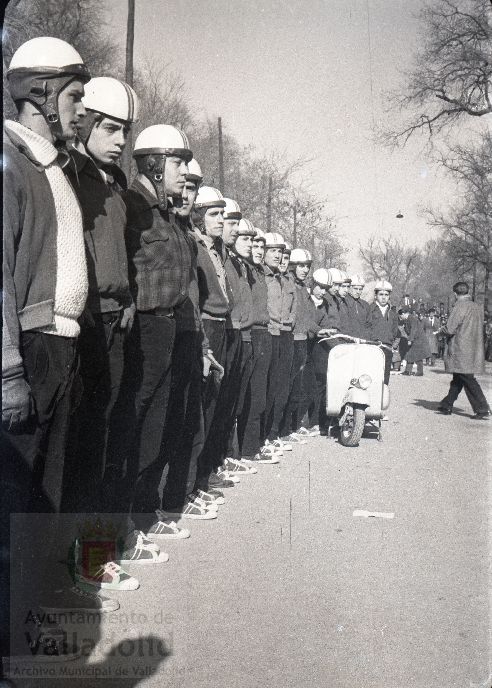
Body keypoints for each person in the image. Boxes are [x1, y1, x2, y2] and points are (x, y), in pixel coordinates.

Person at [2, 36, 92, 660]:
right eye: (75, 96)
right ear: (39, 94)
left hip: (62, 348)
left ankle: (27, 629)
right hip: (27, 352)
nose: (81, 110)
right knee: (14, 503)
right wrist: (7, 368)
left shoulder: (50, 164)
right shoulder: (9, 162)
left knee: (46, 501)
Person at [62, 77, 138, 517]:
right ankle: (77, 563)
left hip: (116, 321)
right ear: (86, 122)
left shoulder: (115, 183)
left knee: (106, 435)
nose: (121, 141)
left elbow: (119, 251)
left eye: (125, 131)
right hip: (85, 324)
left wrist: (126, 295)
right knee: (83, 441)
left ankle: (94, 551)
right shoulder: (71, 172)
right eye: (110, 128)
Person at [119, 124, 197, 554]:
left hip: (166, 328)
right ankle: (120, 530)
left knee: (156, 431)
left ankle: (142, 518)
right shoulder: (135, 205)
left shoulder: (166, 213)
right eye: (178, 162)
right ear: (153, 163)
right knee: (133, 431)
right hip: (145, 329)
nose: (184, 171)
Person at [237, 228, 279, 463]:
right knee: (245, 396)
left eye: (262, 247)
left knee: (259, 396)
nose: (260, 251)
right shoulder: (244, 269)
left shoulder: (260, 272)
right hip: (249, 332)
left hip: (262, 333)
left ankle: (251, 447)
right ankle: (240, 450)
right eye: (256, 246)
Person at [437, 282, 490, 419]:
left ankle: (482, 408)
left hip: (460, 347)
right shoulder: (476, 307)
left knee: (467, 377)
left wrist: (440, 331)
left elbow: (450, 329)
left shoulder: (459, 306)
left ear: (455, 294)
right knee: (458, 377)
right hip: (473, 346)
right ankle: (446, 404)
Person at [366, 280, 399, 385]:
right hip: (373, 348)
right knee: (371, 377)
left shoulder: (392, 313)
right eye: (381, 294)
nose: (384, 297)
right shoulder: (369, 309)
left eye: (386, 294)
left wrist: (392, 345)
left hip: (387, 348)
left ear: (389, 296)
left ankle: (381, 400)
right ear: (376, 295)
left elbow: (395, 331)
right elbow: (366, 328)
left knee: (385, 379)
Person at [399, 306, 431, 376]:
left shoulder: (412, 318)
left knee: (416, 355)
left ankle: (418, 372)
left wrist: (410, 339)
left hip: (418, 339)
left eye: (401, 315)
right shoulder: (408, 319)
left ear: (404, 313)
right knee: (411, 354)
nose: (400, 317)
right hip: (416, 339)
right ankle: (409, 371)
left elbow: (413, 329)